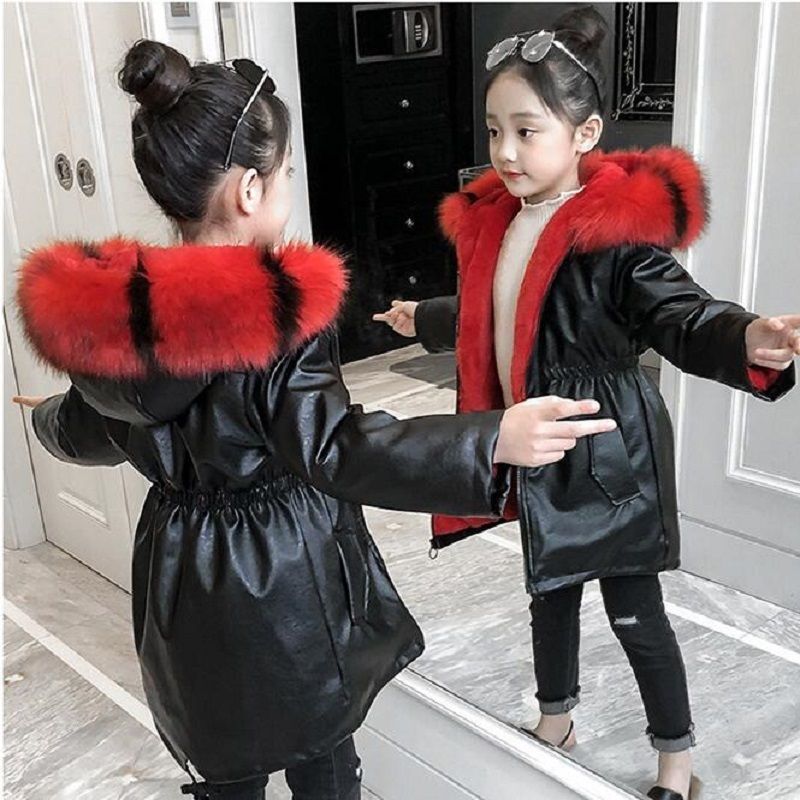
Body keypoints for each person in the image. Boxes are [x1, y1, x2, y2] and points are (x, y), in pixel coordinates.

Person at [12, 40, 618, 800]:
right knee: (323, 753)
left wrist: (48, 420)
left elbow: (97, 424)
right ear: (250, 190)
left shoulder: (115, 326)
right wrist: (491, 438)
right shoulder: (274, 315)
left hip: (181, 571)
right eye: (288, 172)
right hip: (284, 570)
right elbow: (339, 447)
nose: (291, 186)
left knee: (223, 756)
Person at [374, 8, 799, 799]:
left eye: (526, 131)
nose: (505, 151)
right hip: (539, 442)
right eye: (494, 131)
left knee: (635, 610)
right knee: (549, 591)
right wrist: (423, 318)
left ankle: (676, 761)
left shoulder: (615, 238)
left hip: (608, 450)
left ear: (585, 133)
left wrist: (745, 336)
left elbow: (683, 315)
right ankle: (556, 719)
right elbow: (495, 311)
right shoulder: (501, 224)